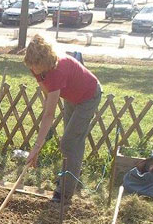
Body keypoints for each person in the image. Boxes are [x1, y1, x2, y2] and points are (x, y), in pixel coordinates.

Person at [24, 35, 102, 202]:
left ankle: (65, 192)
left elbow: (49, 114)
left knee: (69, 143)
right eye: (30, 64)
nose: (32, 68)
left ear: (45, 61)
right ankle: (72, 174)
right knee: (74, 141)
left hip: (88, 95)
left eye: (35, 64)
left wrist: (37, 147)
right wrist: (42, 137)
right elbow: (48, 97)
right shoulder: (37, 67)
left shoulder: (58, 70)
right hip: (72, 96)